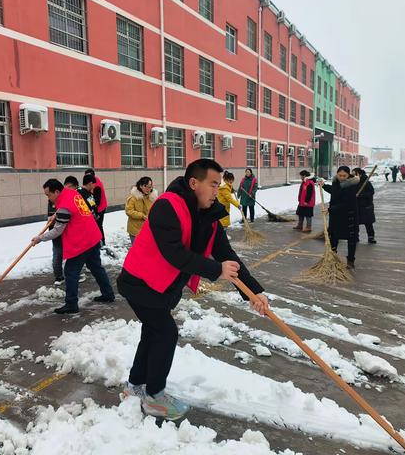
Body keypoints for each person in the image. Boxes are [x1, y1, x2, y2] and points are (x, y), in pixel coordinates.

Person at [117, 159, 269, 420]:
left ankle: (135, 387)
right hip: (139, 283)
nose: (217, 190)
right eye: (212, 184)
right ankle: (154, 397)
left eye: (218, 185)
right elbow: (174, 254)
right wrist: (215, 270)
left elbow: (227, 255)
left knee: (153, 333)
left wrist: (254, 293)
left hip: (162, 289)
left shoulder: (207, 216)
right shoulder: (166, 206)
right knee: (165, 333)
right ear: (193, 183)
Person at [32, 179, 115, 314]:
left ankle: (71, 304)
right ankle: (108, 294)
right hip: (92, 236)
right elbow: (71, 210)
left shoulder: (64, 206)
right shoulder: (72, 193)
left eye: (49, 195)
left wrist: (40, 238)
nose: (48, 198)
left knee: (70, 271)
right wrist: (56, 215)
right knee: (96, 268)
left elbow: (58, 230)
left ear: (57, 191)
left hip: (82, 241)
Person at [319, 166, 360, 269]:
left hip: (348, 216)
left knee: (351, 240)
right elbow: (334, 191)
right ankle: (332, 257)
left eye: (344, 175)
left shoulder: (352, 185)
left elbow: (346, 203)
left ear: (348, 175)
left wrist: (330, 210)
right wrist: (324, 186)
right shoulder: (336, 183)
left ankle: (350, 261)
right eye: (340, 175)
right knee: (334, 237)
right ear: (337, 174)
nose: (341, 177)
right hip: (336, 216)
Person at [125, 177, 158, 245]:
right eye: (146, 187)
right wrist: (142, 216)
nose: (149, 189)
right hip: (135, 230)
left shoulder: (152, 197)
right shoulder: (133, 197)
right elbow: (129, 211)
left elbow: (155, 209)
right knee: (136, 250)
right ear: (140, 186)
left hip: (147, 229)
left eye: (150, 187)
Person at [352, 168, 376, 244]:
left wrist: (360, 195)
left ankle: (371, 237)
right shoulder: (353, 181)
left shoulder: (366, 182)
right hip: (356, 205)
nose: (353, 175)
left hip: (366, 206)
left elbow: (371, 192)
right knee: (355, 222)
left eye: (354, 174)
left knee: (368, 222)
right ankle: (356, 237)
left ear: (359, 174)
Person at [85, 169, 108, 246]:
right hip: (98, 207)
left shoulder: (96, 186)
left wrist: (91, 208)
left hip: (100, 208)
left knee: (98, 225)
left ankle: (102, 242)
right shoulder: (94, 181)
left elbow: (97, 202)